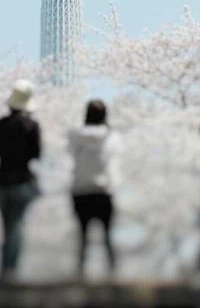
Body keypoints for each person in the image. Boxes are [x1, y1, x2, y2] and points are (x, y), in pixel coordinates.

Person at [0, 79, 41, 282]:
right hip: (22, 181)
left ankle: (3, 269)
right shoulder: (32, 126)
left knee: (5, 226)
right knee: (16, 225)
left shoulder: (0, 125)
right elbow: (36, 154)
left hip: (2, 182)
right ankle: (11, 270)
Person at [67, 99, 121, 276]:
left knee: (83, 236)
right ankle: (112, 273)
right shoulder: (111, 136)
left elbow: (70, 150)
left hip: (80, 189)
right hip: (103, 189)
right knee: (107, 235)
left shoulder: (75, 134)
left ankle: (80, 273)